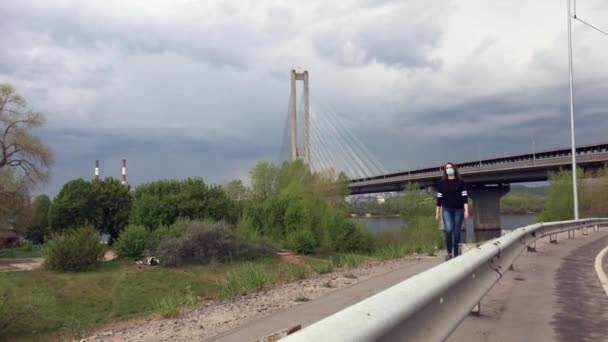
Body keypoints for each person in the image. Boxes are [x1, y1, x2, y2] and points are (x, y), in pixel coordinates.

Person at [435, 162, 469, 260]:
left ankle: (456, 253)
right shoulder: (442, 183)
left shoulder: (461, 182)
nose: (449, 169)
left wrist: (466, 210)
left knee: (457, 231)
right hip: (446, 209)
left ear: (454, 169)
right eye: (447, 168)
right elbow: (439, 199)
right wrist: (437, 212)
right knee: (449, 230)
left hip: (459, 209)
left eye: (450, 167)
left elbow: (465, 198)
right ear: (445, 171)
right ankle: (449, 252)